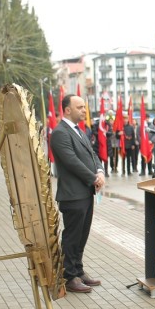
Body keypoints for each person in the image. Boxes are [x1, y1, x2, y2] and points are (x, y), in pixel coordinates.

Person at [50, 95, 106, 294]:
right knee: (72, 237)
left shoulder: (79, 131)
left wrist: (99, 171)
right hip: (72, 195)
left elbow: (92, 155)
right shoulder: (59, 133)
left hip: (85, 193)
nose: (84, 110)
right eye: (80, 107)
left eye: (84, 107)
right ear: (67, 110)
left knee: (82, 235)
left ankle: (78, 270)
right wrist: (93, 178)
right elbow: (71, 161)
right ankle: (68, 275)